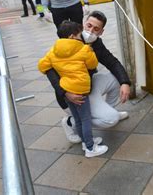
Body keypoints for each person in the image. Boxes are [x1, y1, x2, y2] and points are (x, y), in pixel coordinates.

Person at [44, 10, 131, 143]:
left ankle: (107, 110)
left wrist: (125, 82)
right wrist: (65, 93)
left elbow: (112, 62)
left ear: (101, 32)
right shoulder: (68, 40)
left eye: (96, 29)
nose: (91, 31)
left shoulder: (96, 44)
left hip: (87, 86)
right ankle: (71, 122)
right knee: (111, 120)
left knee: (116, 78)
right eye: (89, 25)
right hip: (72, 95)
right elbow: (50, 70)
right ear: (84, 23)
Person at [38, 21, 108, 157]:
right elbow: (92, 65)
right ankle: (90, 148)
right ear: (71, 36)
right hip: (80, 90)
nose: (81, 37)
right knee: (86, 119)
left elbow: (42, 66)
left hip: (66, 89)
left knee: (78, 119)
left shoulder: (52, 51)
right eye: (78, 34)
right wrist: (90, 52)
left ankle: (85, 142)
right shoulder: (83, 49)